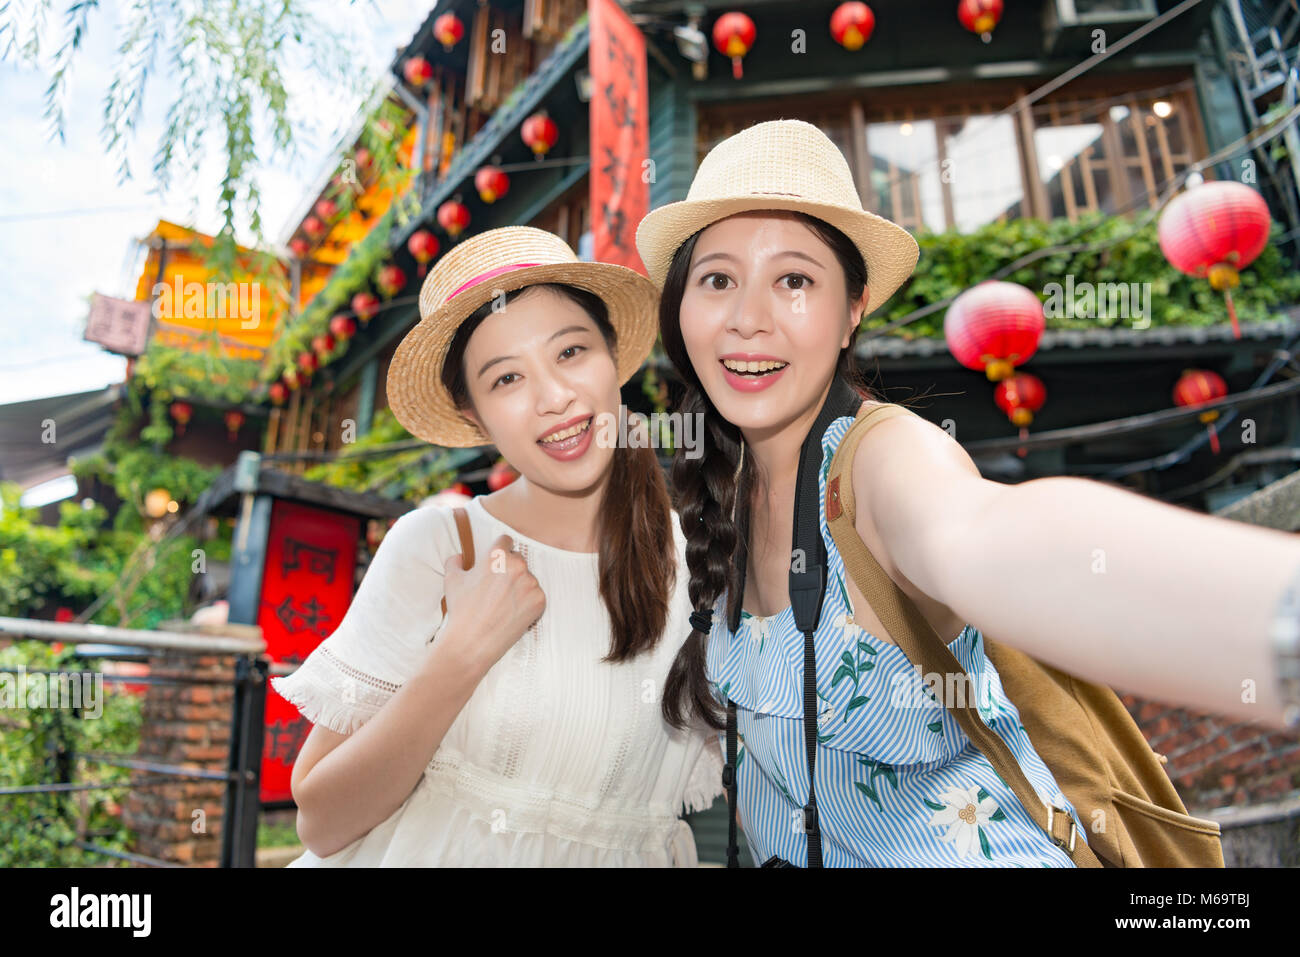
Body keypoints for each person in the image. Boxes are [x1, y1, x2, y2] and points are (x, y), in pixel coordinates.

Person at [635, 118, 1300, 867]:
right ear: (681, 307)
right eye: (717, 278)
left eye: (794, 279)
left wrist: (1278, 617)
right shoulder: (716, 503)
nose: (747, 319)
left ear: (853, 309)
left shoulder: (879, 461)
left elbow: (989, 536)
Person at [272, 226, 723, 866]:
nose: (554, 397)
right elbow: (320, 821)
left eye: (570, 353)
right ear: (473, 417)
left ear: (612, 356)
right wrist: (461, 653)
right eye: (507, 378)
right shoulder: (441, 547)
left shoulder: (699, 565)